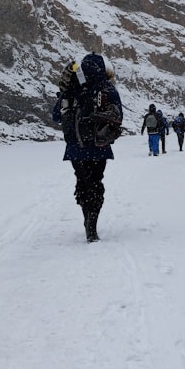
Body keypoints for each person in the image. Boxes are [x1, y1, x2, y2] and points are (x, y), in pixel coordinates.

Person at [51, 53, 122, 243]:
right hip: (100, 145)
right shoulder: (106, 87)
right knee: (96, 181)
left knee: (83, 181)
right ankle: (93, 224)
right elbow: (118, 115)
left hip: (75, 147)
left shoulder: (71, 88)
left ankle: (86, 218)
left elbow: (56, 116)